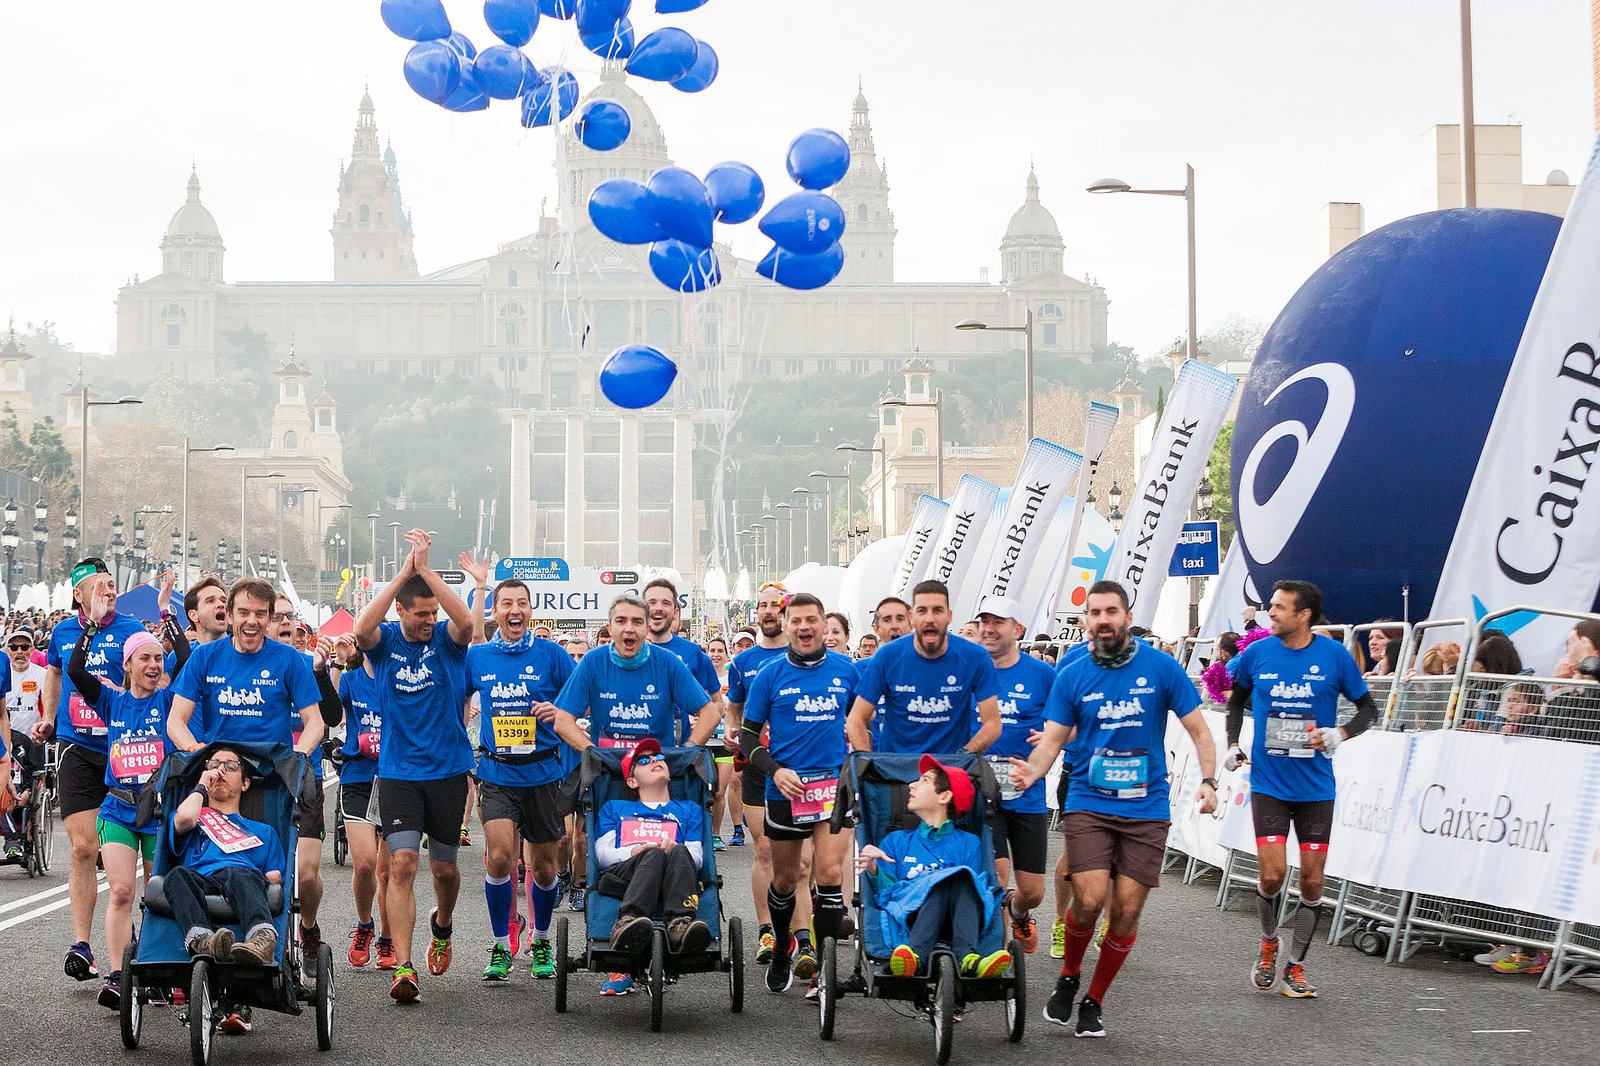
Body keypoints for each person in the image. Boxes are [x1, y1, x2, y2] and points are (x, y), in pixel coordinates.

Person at [1009, 580, 1218, 1039]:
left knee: (1125, 911)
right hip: (1090, 801)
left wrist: (1208, 780)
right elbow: (1052, 739)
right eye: (1095, 613)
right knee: (1088, 899)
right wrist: (1033, 770)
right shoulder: (1072, 674)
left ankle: (1094, 999)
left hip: (1147, 806)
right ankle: (1069, 975)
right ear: (1085, 621)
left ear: (1127, 617)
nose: (1103, 620)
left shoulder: (1161, 667)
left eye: (1111, 611)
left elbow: (1200, 730)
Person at [167, 577, 333, 1007]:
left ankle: (264, 942)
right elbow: (176, 721)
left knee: (250, 870)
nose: (252, 622)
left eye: (261, 614)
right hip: (220, 773)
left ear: (271, 617)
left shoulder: (289, 660)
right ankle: (204, 944)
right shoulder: (206, 657)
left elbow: (315, 723)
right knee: (184, 867)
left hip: (268, 780)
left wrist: (296, 759)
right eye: (244, 613)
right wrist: (197, 757)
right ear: (231, 614)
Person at [549, 593, 718, 996]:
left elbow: (711, 712)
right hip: (613, 779)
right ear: (610, 627)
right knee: (614, 846)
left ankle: (678, 927)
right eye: (621, 621)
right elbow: (563, 720)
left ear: (647, 628)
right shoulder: (593, 663)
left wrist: (684, 753)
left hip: (655, 772)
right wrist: (594, 754)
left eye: (636, 622)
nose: (629, 629)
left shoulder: (667, 663)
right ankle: (623, 951)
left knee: (674, 849)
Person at [1222, 580, 1378, 999]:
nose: (1270, 613)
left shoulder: (1334, 656)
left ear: (1303, 614)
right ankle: (1268, 945)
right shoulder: (1257, 653)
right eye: (1270, 606)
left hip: (1315, 789)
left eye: (1278, 607)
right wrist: (1233, 744)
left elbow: (1369, 709)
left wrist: (1340, 733)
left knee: (1312, 881)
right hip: (1269, 783)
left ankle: (1296, 966)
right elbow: (1235, 701)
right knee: (1272, 874)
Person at [354, 530, 477, 1003]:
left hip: (447, 771)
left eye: (433, 613)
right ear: (401, 612)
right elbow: (362, 629)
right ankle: (404, 967)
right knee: (402, 863)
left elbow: (465, 621)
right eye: (421, 614)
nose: (430, 620)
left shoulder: (447, 641)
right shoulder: (385, 641)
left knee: (443, 869)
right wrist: (402, 574)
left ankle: (442, 926)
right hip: (399, 773)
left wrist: (427, 571)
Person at [69, 568, 191, 1009]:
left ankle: (162, 970)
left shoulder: (170, 700)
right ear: (128, 666)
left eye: (158, 659)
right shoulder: (111, 700)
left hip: (158, 812)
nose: (155, 665)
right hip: (119, 810)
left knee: (158, 895)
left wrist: (165, 610)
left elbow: (184, 655)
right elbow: (75, 669)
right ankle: (121, 976)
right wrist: (91, 622)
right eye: (145, 659)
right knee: (121, 892)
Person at [461, 559, 576, 982]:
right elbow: (460, 697)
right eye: (506, 603)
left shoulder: (552, 655)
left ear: (530, 609)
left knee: (544, 868)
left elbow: (579, 700)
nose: (515, 610)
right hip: (497, 773)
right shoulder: (479, 657)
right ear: (496, 611)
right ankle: (499, 945)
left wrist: (559, 713)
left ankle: (541, 938)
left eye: (521, 603)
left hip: (543, 774)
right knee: (499, 858)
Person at [738, 592, 857, 994]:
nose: (804, 627)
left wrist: (858, 753)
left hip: (833, 788)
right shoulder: (770, 674)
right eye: (796, 621)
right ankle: (780, 949)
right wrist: (776, 770)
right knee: (786, 879)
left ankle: (824, 966)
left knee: (829, 872)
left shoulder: (846, 670)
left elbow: (864, 720)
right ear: (787, 626)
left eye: (812, 620)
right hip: (786, 789)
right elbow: (748, 738)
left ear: (824, 625)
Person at [39, 558, 151, 983]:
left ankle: (134, 937)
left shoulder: (131, 629)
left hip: (124, 749)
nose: (109, 591)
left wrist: (126, 694)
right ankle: (82, 946)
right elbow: (55, 673)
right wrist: (49, 716)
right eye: (99, 585)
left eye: (111, 584)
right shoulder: (64, 632)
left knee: (125, 851)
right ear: (78, 594)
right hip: (78, 746)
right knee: (84, 847)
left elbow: (152, 676)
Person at [857, 756, 1011, 979]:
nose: (911, 785)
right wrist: (874, 869)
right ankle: (946, 956)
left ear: (945, 796)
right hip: (911, 914)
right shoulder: (896, 841)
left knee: (961, 878)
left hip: (958, 917)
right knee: (944, 880)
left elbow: (977, 892)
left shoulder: (968, 843)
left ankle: (963, 957)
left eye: (924, 780)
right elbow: (887, 893)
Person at [723, 582, 804, 971]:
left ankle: (802, 933)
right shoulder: (743, 661)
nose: (768, 611)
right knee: (765, 849)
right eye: (763, 605)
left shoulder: (803, 657)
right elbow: (734, 709)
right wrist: (731, 727)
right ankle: (767, 930)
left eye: (775, 605)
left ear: (785, 613)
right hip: (758, 763)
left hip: (801, 765)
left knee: (801, 860)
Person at [974, 595, 1056, 955]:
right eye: (985, 622)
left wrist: (1054, 735)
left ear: (1018, 629)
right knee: (996, 875)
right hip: (981, 789)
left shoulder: (1043, 675)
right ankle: (997, 955)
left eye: (998, 622)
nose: (989, 629)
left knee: (1033, 891)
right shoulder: (971, 670)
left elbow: (1069, 725)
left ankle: (1019, 910)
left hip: (1026, 792)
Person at [847, 579, 1002, 757]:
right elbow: (856, 719)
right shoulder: (887, 656)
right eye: (922, 611)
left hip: (949, 769)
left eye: (937, 610)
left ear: (949, 616)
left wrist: (962, 757)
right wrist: (868, 762)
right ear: (912, 618)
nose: (930, 619)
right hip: (895, 768)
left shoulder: (975, 656)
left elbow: (993, 724)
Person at [166, 747, 286, 968]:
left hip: (243, 880)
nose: (220, 770)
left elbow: (276, 876)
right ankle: (203, 941)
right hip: (200, 879)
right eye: (214, 765)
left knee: (240, 875)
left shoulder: (264, 832)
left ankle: (261, 940)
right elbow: (184, 819)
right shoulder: (194, 817)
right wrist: (202, 785)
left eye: (230, 766)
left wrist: (266, 880)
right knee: (176, 875)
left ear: (245, 783)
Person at [593, 739, 711, 955]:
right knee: (653, 853)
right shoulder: (615, 808)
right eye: (643, 760)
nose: (655, 760)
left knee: (679, 850)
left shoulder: (689, 810)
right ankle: (628, 920)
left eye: (659, 757)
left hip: (675, 877)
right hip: (625, 875)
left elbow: (697, 857)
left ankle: (680, 924)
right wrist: (634, 851)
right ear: (632, 781)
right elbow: (601, 855)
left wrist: (674, 847)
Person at [334, 633, 395, 970]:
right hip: (358, 777)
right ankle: (364, 925)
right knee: (366, 864)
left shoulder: (398, 678)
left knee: (388, 872)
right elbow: (330, 709)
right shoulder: (351, 679)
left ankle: (388, 939)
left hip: (394, 779)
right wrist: (337, 662)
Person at [643, 578, 723, 743]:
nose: (658, 608)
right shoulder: (627, 650)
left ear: (676, 612)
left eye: (665, 603)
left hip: (677, 751)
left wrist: (697, 736)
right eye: (652, 603)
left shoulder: (693, 652)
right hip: (633, 749)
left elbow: (717, 704)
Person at [704, 636, 740, 852]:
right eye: (712, 650)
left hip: (724, 743)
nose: (715, 654)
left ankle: (716, 834)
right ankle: (701, 834)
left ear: (726, 655)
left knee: (719, 792)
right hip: (704, 742)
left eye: (720, 651)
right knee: (703, 791)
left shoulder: (731, 678)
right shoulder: (700, 677)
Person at [6, 627, 48, 739]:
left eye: (24, 647)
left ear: (32, 650)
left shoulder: (43, 674)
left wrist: (41, 732)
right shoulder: (2, 674)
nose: (19, 651)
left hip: (33, 737)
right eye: (14, 648)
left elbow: (47, 707)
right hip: (6, 738)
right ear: (8, 651)